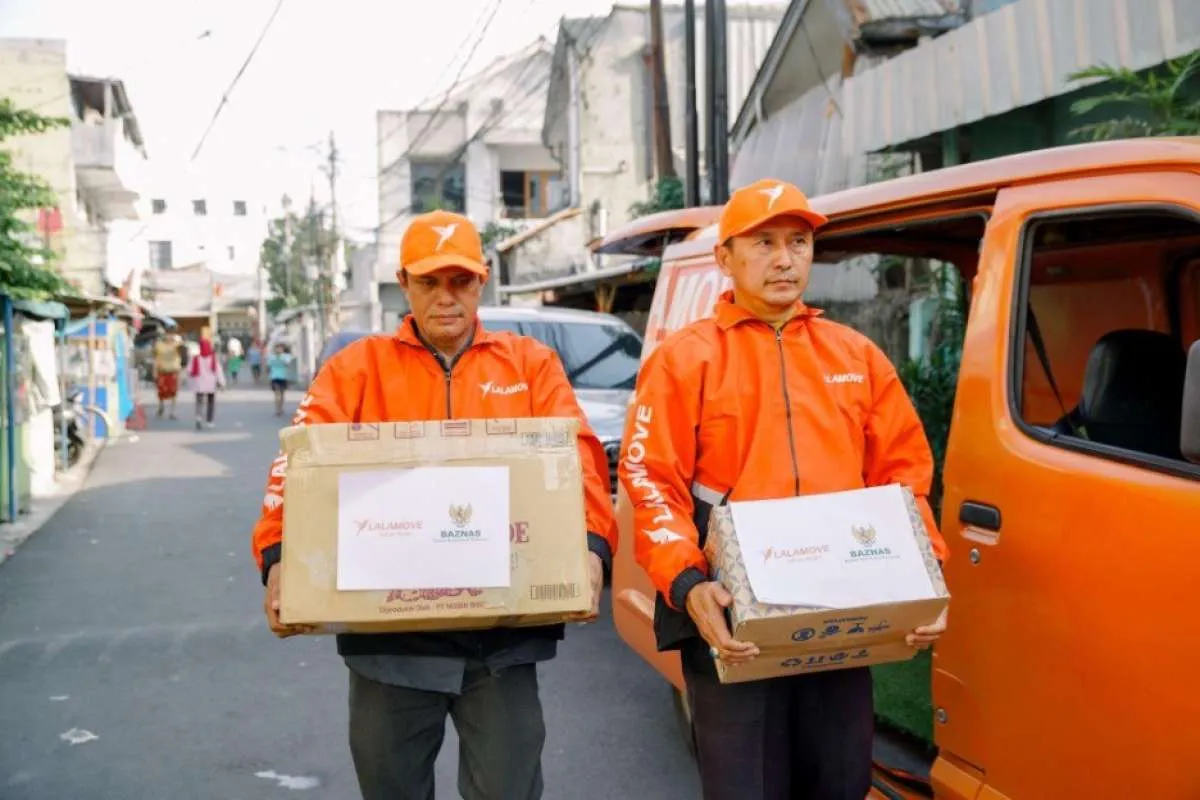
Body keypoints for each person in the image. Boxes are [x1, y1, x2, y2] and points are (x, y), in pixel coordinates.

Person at [250, 210, 618, 800]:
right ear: (404, 283)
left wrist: (593, 547)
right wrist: (277, 557)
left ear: (483, 280)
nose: (446, 297)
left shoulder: (530, 366)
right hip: (388, 647)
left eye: (461, 280)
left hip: (501, 642)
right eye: (429, 282)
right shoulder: (355, 370)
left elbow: (579, 462)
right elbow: (295, 468)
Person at [619, 179, 950, 800]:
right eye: (763, 243)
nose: (784, 259)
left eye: (798, 242)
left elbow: (904, 473)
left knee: (840, 781)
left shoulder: (855, 355)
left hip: (841, 615)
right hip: (732, 615)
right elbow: (649, 479)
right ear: (724, 258)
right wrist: (687, 583)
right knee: (745, 786)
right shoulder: (685, 360)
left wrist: (923, 574)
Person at [189, 330, 226, 430]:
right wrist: (222, 383)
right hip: (211, 385)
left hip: (199, 385)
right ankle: (209, 421)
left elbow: (189, 370)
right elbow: (218, 371)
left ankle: (198, 417)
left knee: (199, 402)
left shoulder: (195, 358)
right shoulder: (213, 358)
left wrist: (191, 382)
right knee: (211, 402)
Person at [152, 331, 184, 420]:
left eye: (171, 334)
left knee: (173, 392)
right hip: (162, 371)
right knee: (161, 392)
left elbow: (182, 353)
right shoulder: (159, 345)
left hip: (173, 371)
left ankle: (172, 412)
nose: (169, 336)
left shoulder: (177, 345)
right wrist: (154, 372)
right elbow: (155, 358)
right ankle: (161, 406)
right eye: (168, 334)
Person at [266, 343, 294, 417]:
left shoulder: (286, 356)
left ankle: (281, 408)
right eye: (277, 348)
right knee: (277, 394)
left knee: (282, 394)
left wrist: (281, 358)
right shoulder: (271, 357)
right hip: (274, 377)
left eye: (280, 348)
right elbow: (268, 366)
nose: (278, 350)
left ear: (283, 349)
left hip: (283, 377)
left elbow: (287, 364)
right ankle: (277, 409)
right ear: (275, 349)